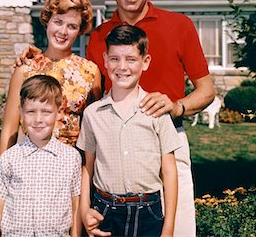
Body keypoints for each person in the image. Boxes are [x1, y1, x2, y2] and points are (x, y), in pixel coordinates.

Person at [86, 0, 216, 236]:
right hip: (114, 147)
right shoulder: (98, 37)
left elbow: (206, 90)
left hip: (169, 140)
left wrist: (176, 106)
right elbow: (89, 96)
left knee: (177, 230)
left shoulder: (179, 25)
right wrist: (35, 60)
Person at [77, 25, 180, 237]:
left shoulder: (157, 111)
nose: (122, 66)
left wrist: (168, 228)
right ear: (105, 60)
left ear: (145, 62)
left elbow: (169, 172)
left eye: (131, 59)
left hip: (148, 212)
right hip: (104, 211)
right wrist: (84, 210)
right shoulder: (92, 114)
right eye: (114, 59)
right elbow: (87, 168)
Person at [0, 0, 102, 158]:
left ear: (80, 30)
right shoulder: (26, 69)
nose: (63, 31)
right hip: (31, 162)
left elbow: (94, 132)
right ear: (48, 21)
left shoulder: (90, 72)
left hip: (72, 166)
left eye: (72, 26)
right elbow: (9, 129)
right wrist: (1, 175)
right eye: (58, 22)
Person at [0, 74, 82, 237]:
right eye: (31, 111)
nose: (38, 119)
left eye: (46, 112)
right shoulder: (10, 157)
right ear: (21, 113)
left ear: (58, 113)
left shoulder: (71, 158)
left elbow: (75, 206)